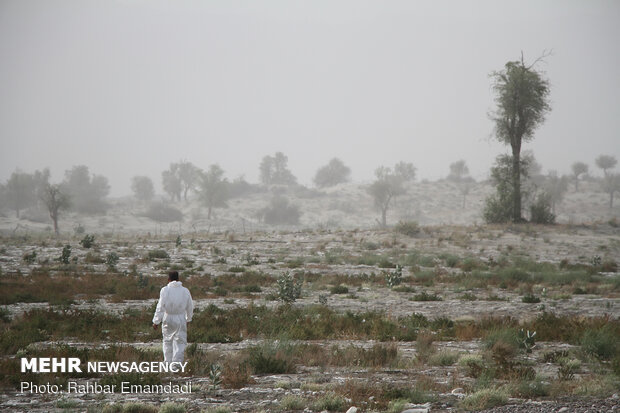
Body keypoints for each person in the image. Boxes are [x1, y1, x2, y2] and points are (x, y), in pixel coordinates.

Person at [152, 271, 194, 363]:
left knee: (167, 341)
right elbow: (190, 306)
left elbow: (160, 307)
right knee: (180, 342)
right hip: (180, 318)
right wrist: (188, 318)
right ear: (178, 279)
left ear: (168, 279)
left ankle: (167, 364)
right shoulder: (185, 291)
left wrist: (156, 321)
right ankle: (176, 365)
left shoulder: (165, 290)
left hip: (167, 317)